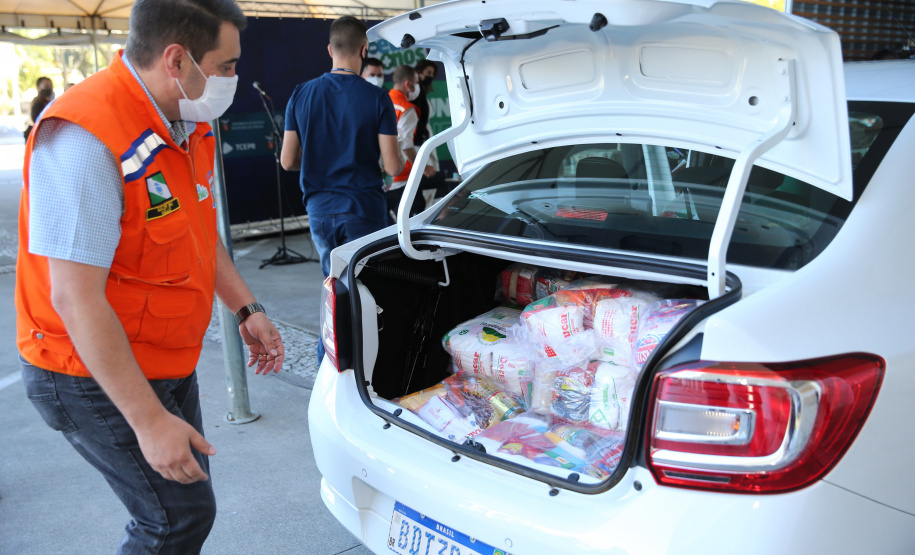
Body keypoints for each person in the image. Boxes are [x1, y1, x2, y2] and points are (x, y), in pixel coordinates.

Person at [15, 1, 286, 553]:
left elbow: (195, 227)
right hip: (86, 372)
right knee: (173, 520)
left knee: (186, 511)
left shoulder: (186, 120)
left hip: (162, 359)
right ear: (177, 59)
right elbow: (74, 298)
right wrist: (147, 421)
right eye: (227, 65)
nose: (235, 77)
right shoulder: (86, 137)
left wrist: (245, 306)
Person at [280, 16, 403, 362]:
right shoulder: (378, 98)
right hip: (363, 209)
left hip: (319, 212)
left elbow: (288, 161)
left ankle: (328, 365)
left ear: (330, 50)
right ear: (364, 50)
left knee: (333, 290)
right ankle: (370, 371)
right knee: (368, 295)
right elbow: (393, 167)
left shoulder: (300, 94)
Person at [386, 64, 435, 223]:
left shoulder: (382, 102)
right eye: (416, 83)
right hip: (403, 179)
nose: (417, 87)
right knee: (414, 227)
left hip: (384, 178)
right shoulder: (407, 110)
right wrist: (424, 168)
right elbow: (407, 148)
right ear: (408, 84)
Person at [23, 76, 54, 141]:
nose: (49, 89)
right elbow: (37, 120)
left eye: (50, 86)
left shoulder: (47, 101)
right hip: (36, 137)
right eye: (46, 86)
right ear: (38, 87)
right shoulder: (37, 103)